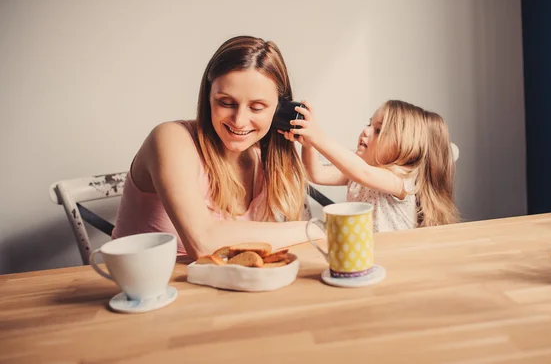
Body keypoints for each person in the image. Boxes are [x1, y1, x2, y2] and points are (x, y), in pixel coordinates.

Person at [112, 35, 319, 259]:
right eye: (226, 103)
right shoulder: (170, 139)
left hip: (212, 285)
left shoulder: (263, 157)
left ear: (280, 110)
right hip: (137, 289)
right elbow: (203, 242)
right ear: (208, 97)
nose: (239, 120)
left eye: (257, 107)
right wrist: (313, 230)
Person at [280, 99, 459, 232]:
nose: (365, 131)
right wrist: (309, 144)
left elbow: (363, 173)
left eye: (378, 130)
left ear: (404, 145)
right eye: (369, 124)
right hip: (366, 255)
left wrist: (317, 136)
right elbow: (316, 174)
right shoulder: (358, 174)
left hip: (396, 259)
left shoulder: (400, 180)